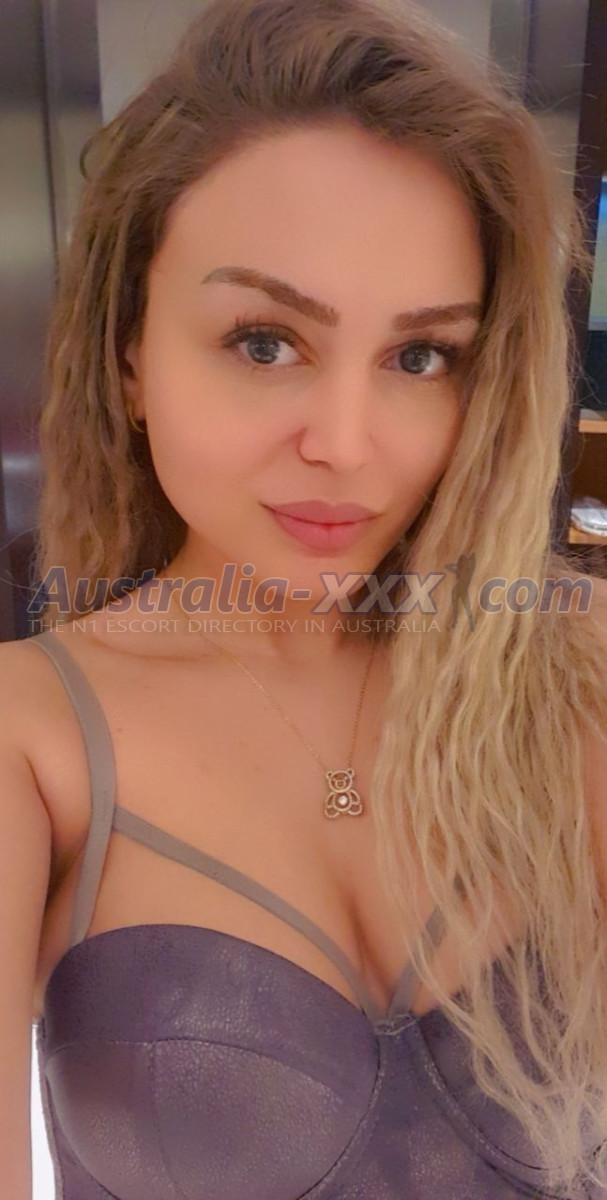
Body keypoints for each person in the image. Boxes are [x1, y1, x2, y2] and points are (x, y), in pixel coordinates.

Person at [2, 0, 607, 1195]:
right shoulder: (34, 742)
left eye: (420, 356)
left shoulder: (574, 670)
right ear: (130, 357)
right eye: (265, 342)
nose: (345, 444)